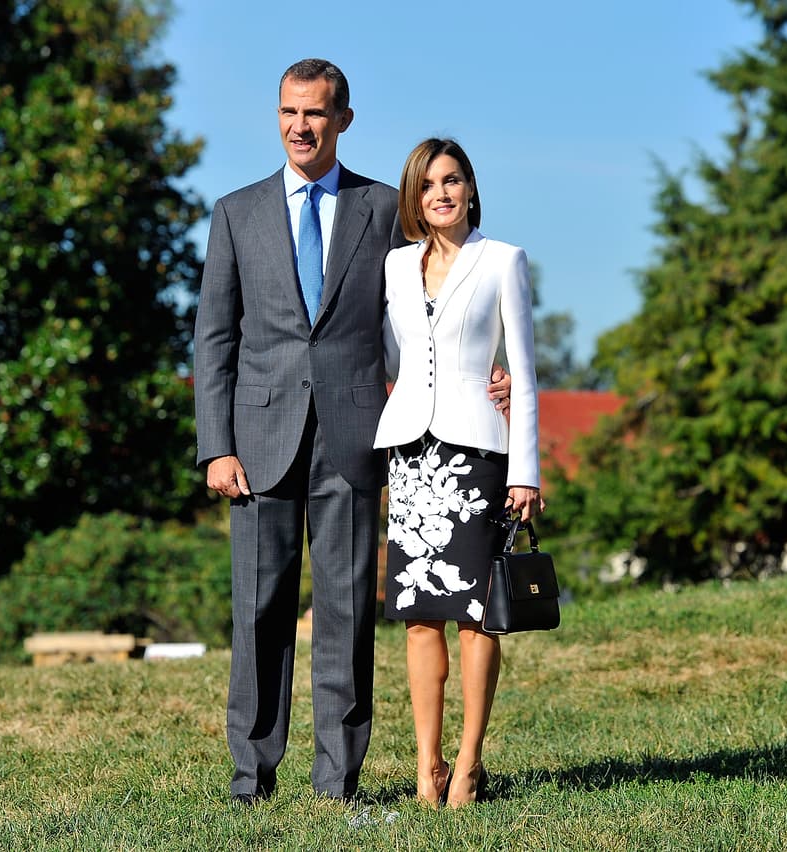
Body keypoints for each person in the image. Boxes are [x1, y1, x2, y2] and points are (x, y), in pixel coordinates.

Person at [193, 61, 509, 804]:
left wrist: (481, 371)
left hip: (356, 437)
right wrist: (216, 445)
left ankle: (338, 783)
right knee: (259, 613)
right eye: (288, 112)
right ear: (277, 118)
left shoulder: (379, 209)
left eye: (316, 113)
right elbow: (214, 339)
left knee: (345, 614)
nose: (300, 125)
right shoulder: (236, 213)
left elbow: (425, 305)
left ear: (344, 120)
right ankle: (251, 780)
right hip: (257, 444)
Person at [373, 138, 542, 808]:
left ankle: (470, 763)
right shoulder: (393, 268)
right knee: (419, 617)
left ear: (470, 188)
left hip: (478, 456)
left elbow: (524, 375)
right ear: (414, 198)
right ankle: (427, 768)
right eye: (426, 185)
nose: (439, 194)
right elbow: (392, 362)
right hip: (411, 457)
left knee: (477, 616)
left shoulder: (503, 261)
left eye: (451, 181)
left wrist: (525, 471)